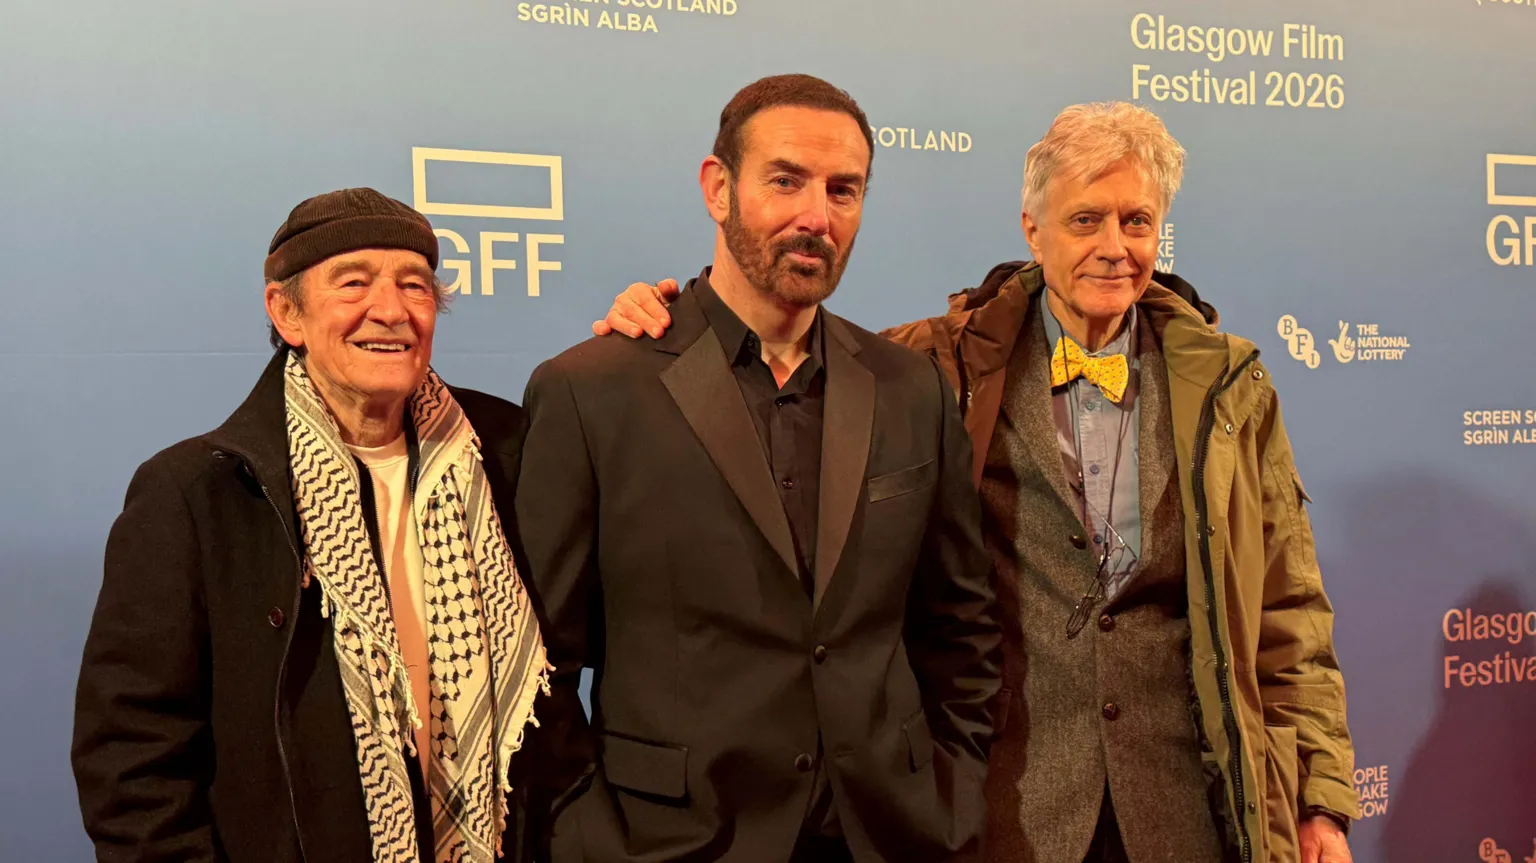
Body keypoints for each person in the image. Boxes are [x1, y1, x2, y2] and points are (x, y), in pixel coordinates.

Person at [598, 101, 1360, 863]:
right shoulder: (936, 365)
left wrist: (1320, 800)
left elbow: (1288, 609)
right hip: (1009, 804)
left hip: (1188, 808)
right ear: (1033, 230)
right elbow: (778, 363)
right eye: (1085, 219)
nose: (1114, 246)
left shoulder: (1231, 389)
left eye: (1137, 221)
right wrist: (668, 319)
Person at [515, 74, 1002, 863]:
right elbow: (539, 663)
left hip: (891, 833)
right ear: (718, 188)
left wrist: (955, 787)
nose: (818, 216)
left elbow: (960, 628)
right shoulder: (591, 390)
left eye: (844, 190)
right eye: (786, 180)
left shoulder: (910, 386)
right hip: (671, 842)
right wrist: (581, 831)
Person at [72, 188, 549, 863]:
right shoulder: (199, 493)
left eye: (414, 284)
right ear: (286, 311)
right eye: (353, 282)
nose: (391, 309)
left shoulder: (503, 452)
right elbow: (131, 762)